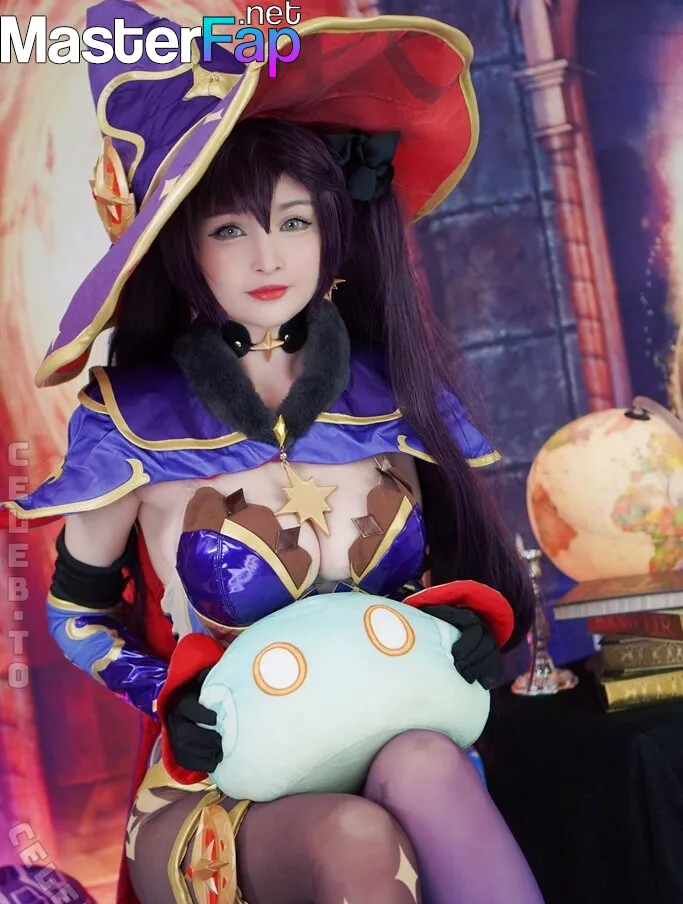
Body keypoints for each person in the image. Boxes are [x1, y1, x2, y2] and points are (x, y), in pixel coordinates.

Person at [1, 1, 546, 902]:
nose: (268, 256)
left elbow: (428, 583)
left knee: (428, 762)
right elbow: (77, 616)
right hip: (221, 783)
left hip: (387, 740)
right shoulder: (129, 416)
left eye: (294, 222)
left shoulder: (389, 397)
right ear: (183, 249)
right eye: (230, 229)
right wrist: (171, 697)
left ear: (331, 234)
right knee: (356, 836)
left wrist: (461, 631)